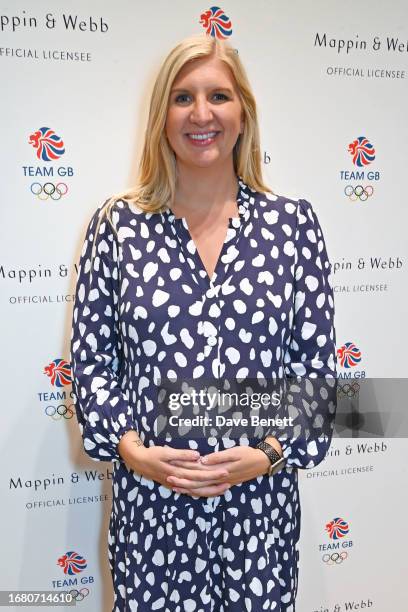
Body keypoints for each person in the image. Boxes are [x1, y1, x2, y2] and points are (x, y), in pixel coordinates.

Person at [70, 33, 337, 612]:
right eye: (182, 97)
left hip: (260, 518)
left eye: (218, 95)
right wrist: (133, 451)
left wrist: (267, 453)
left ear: (243, 113)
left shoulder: (292, 226)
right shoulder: (118, 227)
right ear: (161, 116)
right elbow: (92, 364)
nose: (201, 114)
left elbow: (316, 376)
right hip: (153, 514)